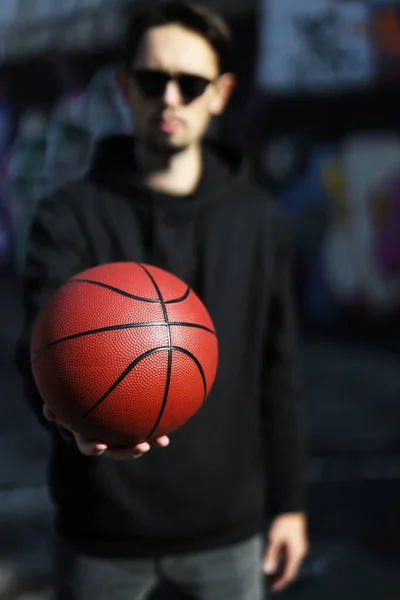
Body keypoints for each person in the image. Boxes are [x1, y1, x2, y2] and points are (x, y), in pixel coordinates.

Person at [15, 1, 308, 598]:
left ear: (221, 93)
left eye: (190, 82)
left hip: (227, 529)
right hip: (103, 530)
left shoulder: (257, 219)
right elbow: (39, 346)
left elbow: (280, 371)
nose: (170, 97)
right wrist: (64, 414)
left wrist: (290, 503)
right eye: (152, 79)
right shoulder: (68, 214)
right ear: (125, 86)